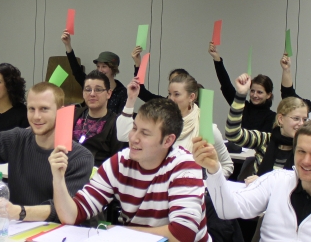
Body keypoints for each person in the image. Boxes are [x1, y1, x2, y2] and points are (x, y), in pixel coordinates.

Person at [52, 98, 209, 242]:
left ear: (168, 140)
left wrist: (119, 231)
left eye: (145, 133)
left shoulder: (185, 167)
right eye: (134, 128)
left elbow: (182, 235)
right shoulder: (120, 163)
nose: (133, 138)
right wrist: (58, 178)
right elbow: (72, 215)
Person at [197, 119, 311, 241]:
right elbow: (227, 209)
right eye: (301, 151)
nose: (306, 161)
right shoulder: (277, 181)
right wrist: (214, 170)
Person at [0, 82, 93, 222]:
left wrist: (20, 212)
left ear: (60, 111)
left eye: (44, 109)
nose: (36, 116)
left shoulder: (80, 157)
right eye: (31, 109)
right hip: (17, 229)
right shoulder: (16, 139)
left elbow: (68, 211)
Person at [117, 74, 233, 177]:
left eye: (176, 94)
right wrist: (131, 100)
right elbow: (122, 135)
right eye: (169, 94)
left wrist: (207, 185)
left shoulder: (207, 128)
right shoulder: (159, 122)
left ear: (191, 97)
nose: (171, 99)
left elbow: (227, 165)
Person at [226, 74, 308, 179]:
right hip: (259, 194)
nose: (301, 124)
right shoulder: (265, 139)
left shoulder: (305, 148)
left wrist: (263, 181)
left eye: (304, 119)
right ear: (280, 119)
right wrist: (241, 94)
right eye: (296, 119)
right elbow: (232, 134)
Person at [208, 42, 276, 132]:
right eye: (252, 91)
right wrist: (217, 59)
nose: (255, 95)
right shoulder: (241, 106)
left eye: (260, 92)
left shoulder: (272, 117)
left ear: (268, 95)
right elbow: (226, 85)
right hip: (234, 145)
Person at [61, 30, 127, 114]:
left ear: (113, 69)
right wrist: (68, 45)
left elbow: (121, 119)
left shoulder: (121, 92)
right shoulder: (90, 82)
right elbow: (77, 71)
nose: (100, 70)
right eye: (98, 66)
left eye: (104, 66)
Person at [74, 70, 122, 166]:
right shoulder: (74, 113)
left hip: (98, 175)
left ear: (109, 93)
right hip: (69, 171)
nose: (92, 94)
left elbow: (117, 162)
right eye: (88, 89)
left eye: (98, 90)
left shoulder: (116, 123)